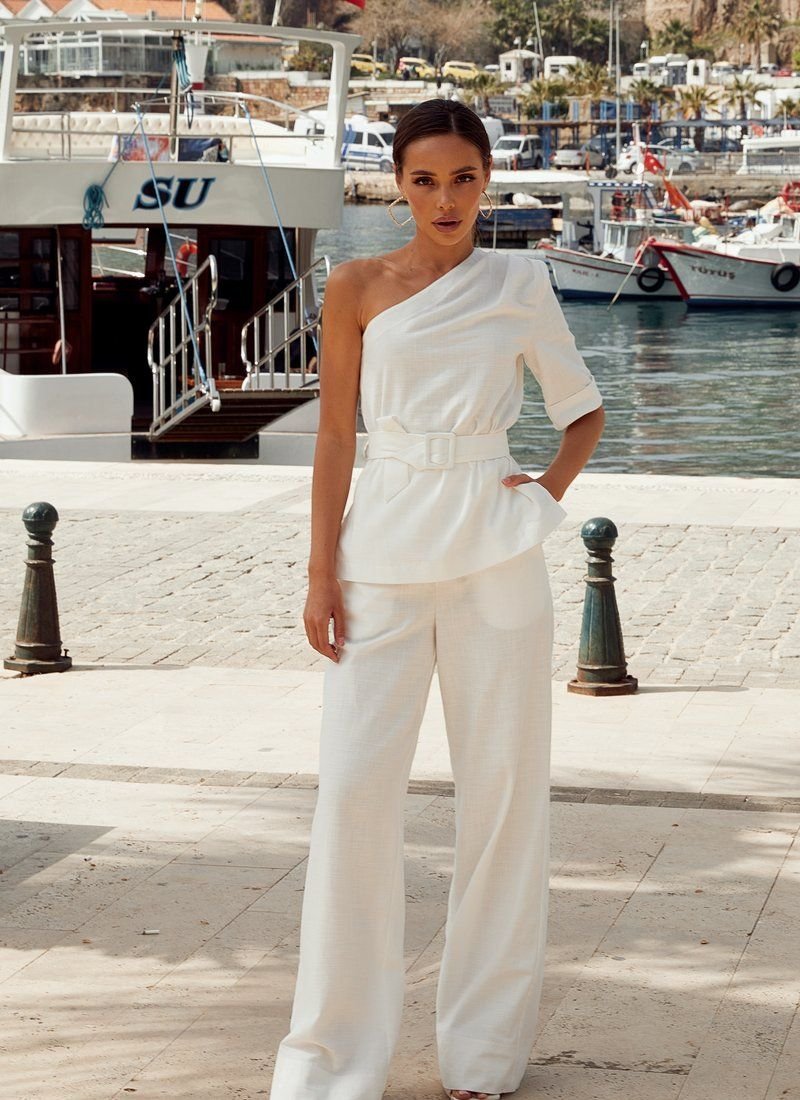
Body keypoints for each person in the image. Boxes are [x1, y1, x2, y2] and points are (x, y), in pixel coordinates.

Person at [269, 98, 604, 1100]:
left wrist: (539, 496)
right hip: (379, 554)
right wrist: (320, 571)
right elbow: (337, 435)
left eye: (463, 178)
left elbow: (582, 410)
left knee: (502, 801)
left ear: (486, 180)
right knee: (352, 798)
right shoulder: (355, 285)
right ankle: (331, 1059)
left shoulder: (519, 281)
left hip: (495, 563)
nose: (446, 199)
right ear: (398, 186)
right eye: (425, 180)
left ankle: (483, 1054)